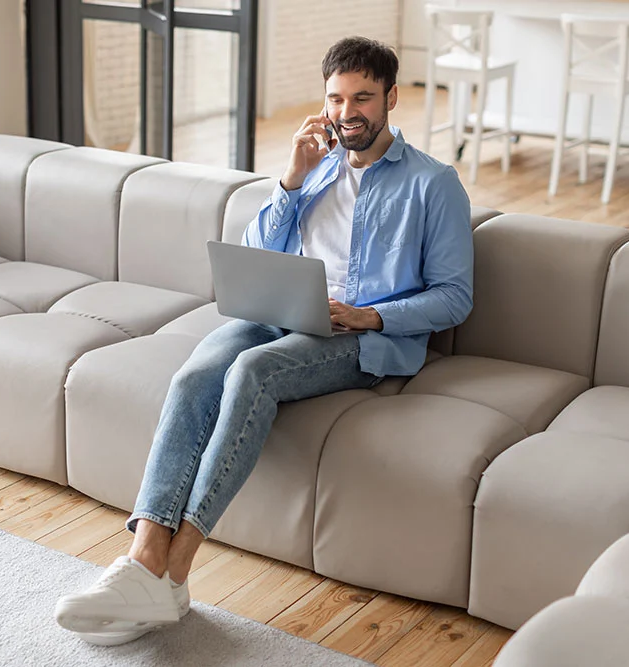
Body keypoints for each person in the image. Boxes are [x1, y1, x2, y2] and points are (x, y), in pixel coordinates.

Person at [54, 36, 474, 645]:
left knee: (254, 371)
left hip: (362, 337)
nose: (347, 111)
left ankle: (171, 570)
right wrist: (291, 180)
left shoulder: (433, 184)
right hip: (283, 310)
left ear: (391, 98)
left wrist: (366, 316)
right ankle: (147, 554)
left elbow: (455, 297)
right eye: (335, 98)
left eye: (362, 97)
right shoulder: (316, 167)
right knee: (195, 374)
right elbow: (256, 254)